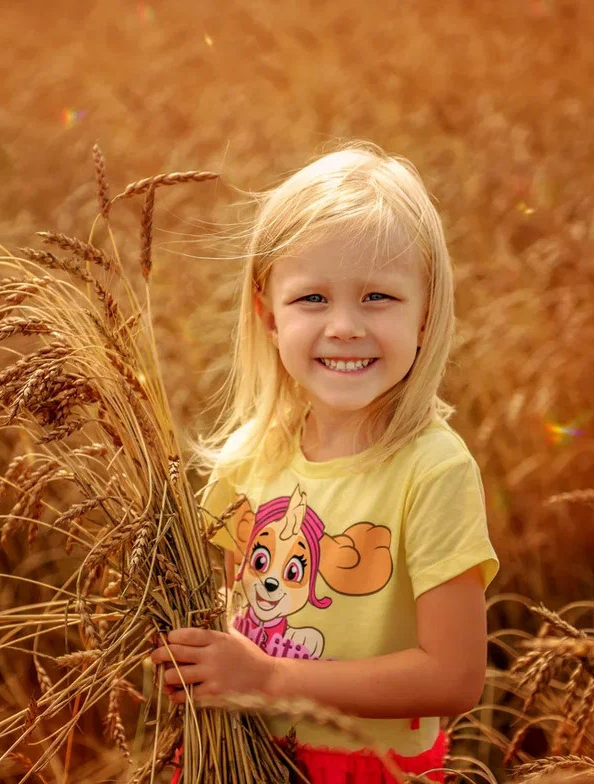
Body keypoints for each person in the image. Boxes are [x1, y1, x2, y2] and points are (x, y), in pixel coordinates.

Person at [149, 140, 500, 783]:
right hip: (239, 758)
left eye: (378, 298)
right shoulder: (251, 456)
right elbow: (223, 610)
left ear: (426, 315)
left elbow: (454, 677)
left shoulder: (432, 470)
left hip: (365, 771)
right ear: (268, 315)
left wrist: (270, 678)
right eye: (312, 299)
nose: (343, 326)